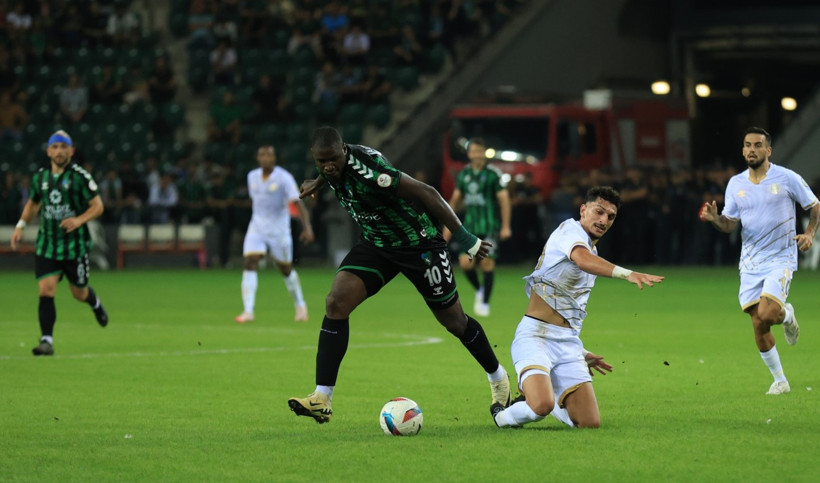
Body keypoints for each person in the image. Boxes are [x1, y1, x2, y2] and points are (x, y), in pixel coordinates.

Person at [288, 126, 511, 424]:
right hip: (377, 244)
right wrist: (318, 181)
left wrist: (467, 239)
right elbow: (330, 168)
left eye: (332, 160)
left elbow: (427, 193)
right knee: (335, 303)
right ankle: (321, 397)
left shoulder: (371, 171)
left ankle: (499, 380)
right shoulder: (331, 164)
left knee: (454, 322)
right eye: (320, 162)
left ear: (343, 151)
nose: (328, 166)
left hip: (418, 243)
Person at [491, 186, 664, 429]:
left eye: (610, 217)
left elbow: (570, 309)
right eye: (599, 211)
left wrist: (580, 352)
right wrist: (628, 274)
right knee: (541, 406)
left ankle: (549, 398)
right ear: (583, 210)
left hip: (567, 343)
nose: (603, 220)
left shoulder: (592, 249)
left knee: (589, 423)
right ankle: (502, 415)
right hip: (535, 337)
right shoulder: (569, 231)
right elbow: (582, 261)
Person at [700, 127, 819, 395]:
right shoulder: (736, 184)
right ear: (742, 150)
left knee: (767, 313)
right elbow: (730, 225)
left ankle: (787, 315)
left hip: (781, 257)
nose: (751, 149)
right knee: (758, 322)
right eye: (747, 145)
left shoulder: (786, 178)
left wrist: (810, 233)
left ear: (768, 150)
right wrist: (716, 219)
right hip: (751, 262)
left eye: (757, 145)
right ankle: (780, 380)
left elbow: (815, 206)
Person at [10, 130, 109, 356]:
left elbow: (98, 206)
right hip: (48, 244)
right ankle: (46, 340)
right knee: (46, 289)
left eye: (64, 147)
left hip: (74, 246)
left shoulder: (80, 177)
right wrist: (20, 226)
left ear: (71, 151)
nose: (59, 151)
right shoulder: (40, 178)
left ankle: (95, 303)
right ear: (48, 151)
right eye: (55, 147)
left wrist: (79, 219)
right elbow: (33, 204)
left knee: (79, 293)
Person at [235, 146, 315, 323]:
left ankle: (300, 305)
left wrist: (307, 227)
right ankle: (248, 310)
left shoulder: (284, 178)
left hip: (279, 230)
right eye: (262, 155)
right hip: (256, 227)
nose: (265, 158)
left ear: (274, 158)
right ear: (257, 158)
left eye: (269, 155)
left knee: (286, 269)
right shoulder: (252, 177)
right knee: (250, 261)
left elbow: (298, 202)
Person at [445, 137, 511, 317]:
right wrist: (447, 228)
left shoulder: (493, 174)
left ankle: (485, 302)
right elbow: (455, 201)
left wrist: (506, 226)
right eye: (473, 151)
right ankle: (480, 290)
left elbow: (504, 200)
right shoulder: (464, 175)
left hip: (489, 226)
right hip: (470, 228)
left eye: (479, 151)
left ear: (484, 153)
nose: (476, 155)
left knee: (487, 263)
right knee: (465, 264)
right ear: (469, 154)